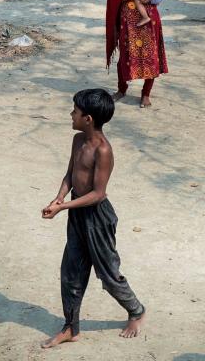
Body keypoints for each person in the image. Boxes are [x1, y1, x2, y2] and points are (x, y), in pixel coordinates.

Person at [40, 89, 146, 348]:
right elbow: (70, 174)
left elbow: (98, 194)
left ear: (88, 118)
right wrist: (59, 198)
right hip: (77, 213)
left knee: (108, 274)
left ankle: (136, 310)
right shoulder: (78, 141)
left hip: (98, 219)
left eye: (74, 111)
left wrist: (64, 208)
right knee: (71, 273)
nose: (71, 114)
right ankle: (70, 327)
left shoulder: (103, 151)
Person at [105, 0, 169, 108]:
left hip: (148, 19)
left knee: (151, 56)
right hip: (127, 20)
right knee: (124, 56)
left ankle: (146, 94)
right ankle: (121, 89)